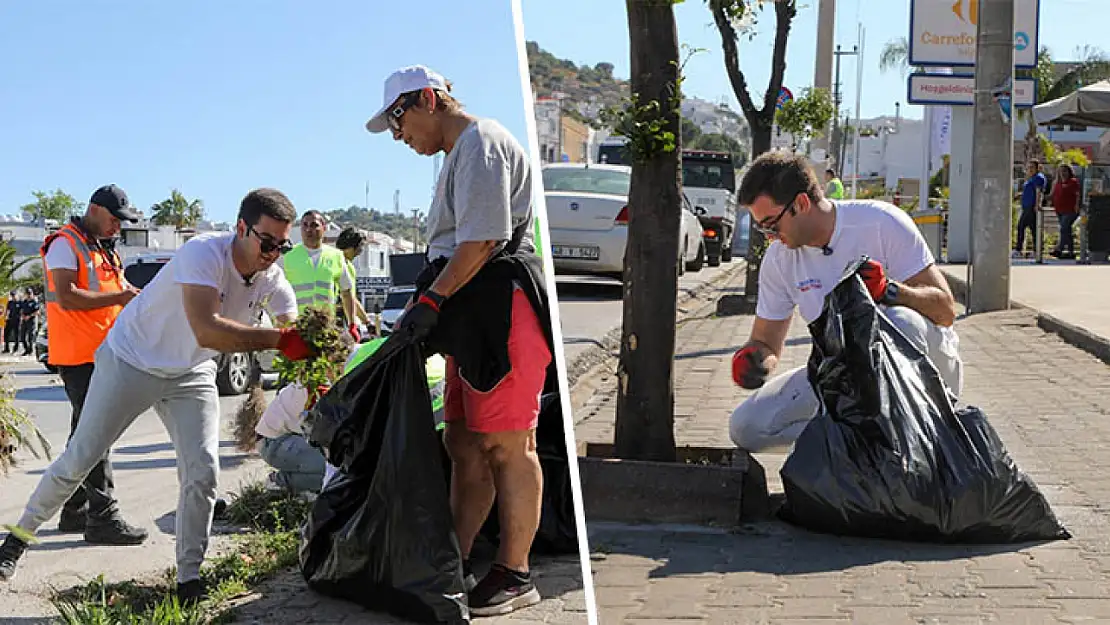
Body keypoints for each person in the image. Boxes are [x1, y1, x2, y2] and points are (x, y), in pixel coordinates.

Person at [0, 188, 316, 605]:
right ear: (241, 228)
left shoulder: (271, 278)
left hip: (191, 372)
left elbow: (293, 324)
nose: (273, 253)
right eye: (267, 242)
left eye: (282, 245)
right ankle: (17, 540)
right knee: (81, 457)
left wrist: (314, 350)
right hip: (132, 359)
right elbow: (208, 329)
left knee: (203, 473)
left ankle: (188, 578)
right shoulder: (204, 253)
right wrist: (280, 340)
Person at [365, 64, 554, 615]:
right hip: (470, 313)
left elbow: (482, 240)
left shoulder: (481, 142)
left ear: (429, 98)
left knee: (508, 445)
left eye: (399, 120)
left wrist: (429, 302)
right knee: (465, 444)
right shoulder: (456, 158)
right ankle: (456, 560)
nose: (399, 135)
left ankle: (515, 574)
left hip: (500, 309)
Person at [727, 151, 964, 453]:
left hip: (922, 374)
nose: (770, 237)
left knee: (898, 322)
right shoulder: (780, 260)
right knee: (747, 427)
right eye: (762, 229)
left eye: (772, 225)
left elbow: (945, 310)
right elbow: (766, 342)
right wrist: (754, 359)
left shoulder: (880, 223)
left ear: (800, 204)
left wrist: (890, 292)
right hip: (845, 376)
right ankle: (854, 442)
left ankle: (909, 431)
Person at [39, 184, 146, 544]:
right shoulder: (64, 244)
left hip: (105, 354)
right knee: (96, 437)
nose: (118, 227)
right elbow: (68, 297)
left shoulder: (100, 248)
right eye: (114, 219)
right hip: (78, 358)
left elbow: (114, 299)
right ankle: (103, 518)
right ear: (94, 209)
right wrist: (121, 295)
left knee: (83, 437)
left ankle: (74, 510)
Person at [261, 335, 447, 495]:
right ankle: (282, 481)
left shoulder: (356, 376)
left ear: (332, 360)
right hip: (276, 440)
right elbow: (335, 449)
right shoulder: (379, 348)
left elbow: (347, 453)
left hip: (428, 426)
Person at [281, 211, 358, 339]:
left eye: (314, 225)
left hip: (326, 326)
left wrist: (352, 324)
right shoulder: (288, 256)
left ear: (324, 228)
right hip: (297, 327)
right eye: (304, 225)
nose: (308, 229)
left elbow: (346, 293)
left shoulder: (336, 256)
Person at [334, 226, 374, 334]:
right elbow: (346, 296)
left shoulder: (350, 267)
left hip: (345, 321)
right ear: (352, 246)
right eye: (361, 246)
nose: (361, 251)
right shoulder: (334, 263)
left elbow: (352, 299)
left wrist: (367, 322)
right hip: (335, 320)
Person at [1015, 160, 1046, 258]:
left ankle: (1019, 250)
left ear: (1037, 168)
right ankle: (1036, 250)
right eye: (1029, 167)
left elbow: (1039, 192)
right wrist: (1020, 195)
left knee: (1021, 226)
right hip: (1026, 206)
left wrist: (1037, 205)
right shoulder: (1031, 178)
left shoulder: (1039, 178)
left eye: (1032, 167)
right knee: (1033, 229)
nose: (1030, 169)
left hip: (1031, 207)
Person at [1051, 164, 1081, 259]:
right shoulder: (1057, 183)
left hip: (1070, 210)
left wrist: (1077, 205)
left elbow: (1077, 195)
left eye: (1064, 171)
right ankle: (1071, 252)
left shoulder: (1073, 182)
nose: (1062, 173)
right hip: (1059, 210)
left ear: (1069, 172)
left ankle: (1059, 249)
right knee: (1067, 231)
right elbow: (1053, 195)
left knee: (1064, 228)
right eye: (1060, 171)